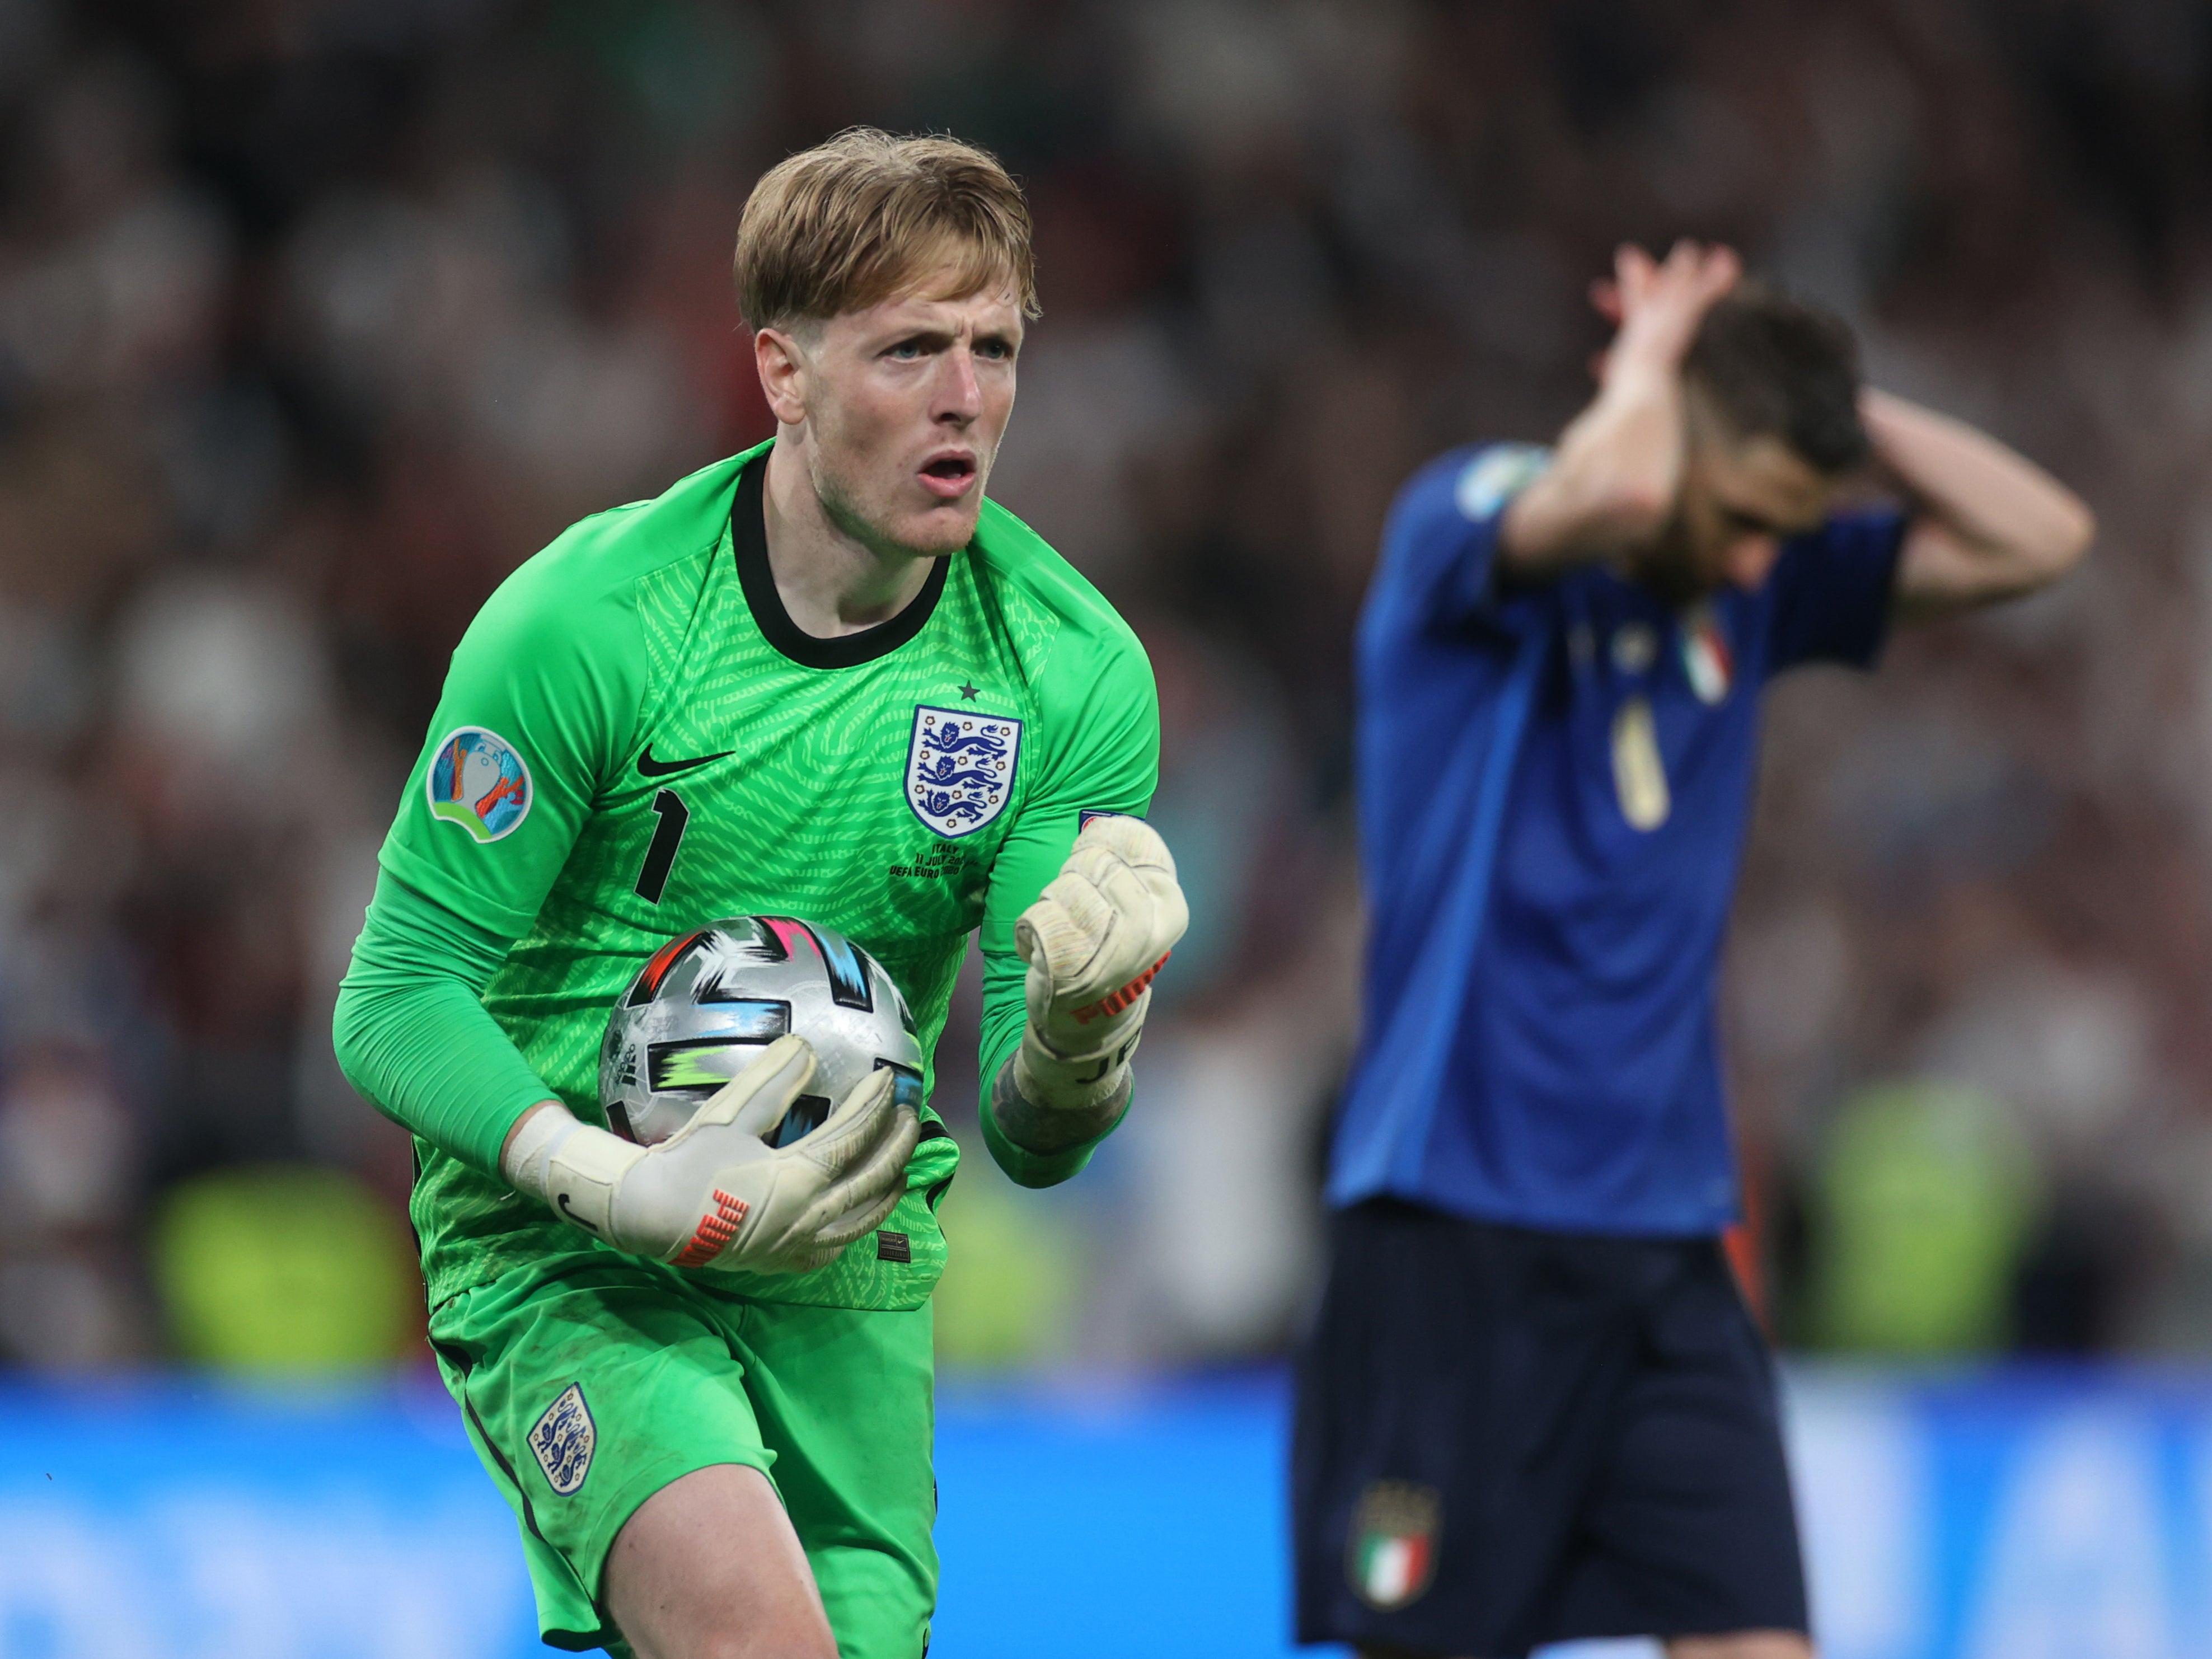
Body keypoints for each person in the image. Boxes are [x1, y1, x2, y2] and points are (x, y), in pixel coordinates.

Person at [334, 129, 1187, 1659]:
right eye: (910, 348)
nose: (966, 398)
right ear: (782, 375)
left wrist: (1080, 1040)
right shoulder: (584, 626)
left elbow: (1034, 1143)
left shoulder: (1069, 672)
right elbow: (393, 994)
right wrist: (608, 1174)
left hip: (847, 1263)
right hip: (576, 1252)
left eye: (995, 347)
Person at [1294, 241, 2093, 1659]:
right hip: (1455, 1216)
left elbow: (2040, 538)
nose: (1750, 555)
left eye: (1784, 528)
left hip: (1663, 1243)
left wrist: (1831, 412)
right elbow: (1604, 490)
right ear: (1670, 438)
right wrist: (1655, 360)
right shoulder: (1464, 525)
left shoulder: (1753, 586)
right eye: (1737, 512)